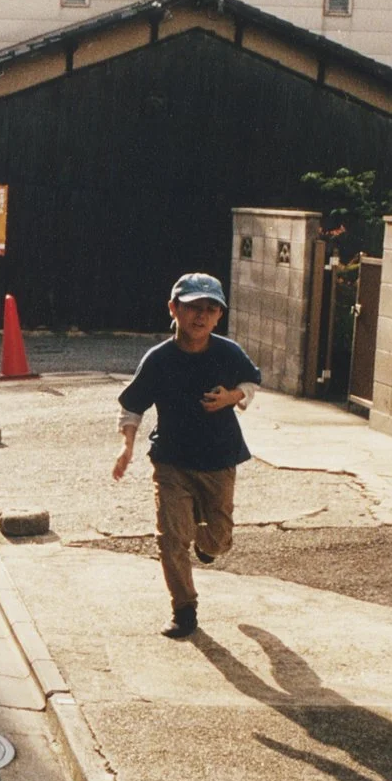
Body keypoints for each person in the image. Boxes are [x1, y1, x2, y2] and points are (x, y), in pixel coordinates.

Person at [112, 273, 260, 640]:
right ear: (174, 309)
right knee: (171, 536)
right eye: (193, 307)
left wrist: (233, 398)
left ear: (218, 316)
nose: (201, 316)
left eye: (210, 310)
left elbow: (251, 383)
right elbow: (132, 406)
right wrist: (126, 446)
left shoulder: (229, 352)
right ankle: (184, 609)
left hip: (220, 459)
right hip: (172, 460)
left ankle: (206, 544)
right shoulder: (159, 359)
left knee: (219, 538)